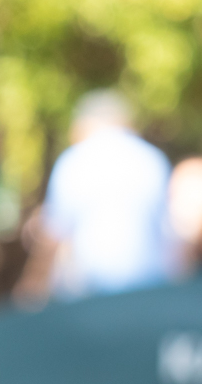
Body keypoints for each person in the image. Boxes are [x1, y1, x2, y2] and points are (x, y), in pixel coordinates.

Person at [19, 90, 178, 302]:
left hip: (91, 296)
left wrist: (30, 289)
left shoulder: (74, 162)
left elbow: (54, 237)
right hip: (149, 292)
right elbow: (171, 238)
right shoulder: (154, 161)